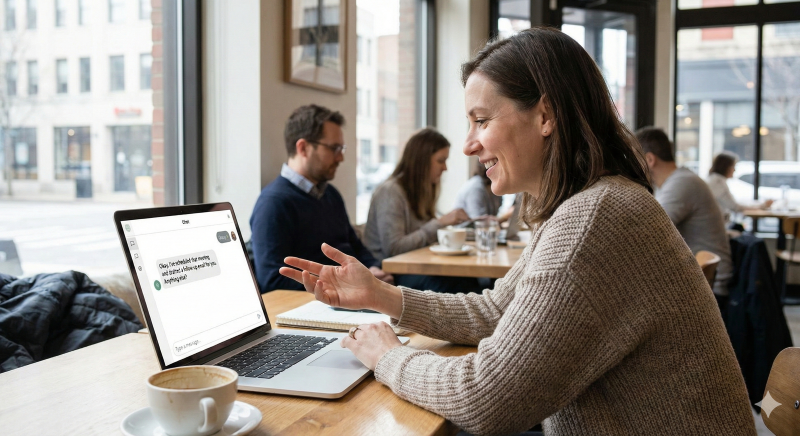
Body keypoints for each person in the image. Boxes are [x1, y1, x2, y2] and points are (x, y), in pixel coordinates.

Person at [280, 28, 755, 435]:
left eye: (481, 121)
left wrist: (387, 357)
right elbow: (495, 310)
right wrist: (381, 297)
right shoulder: (592, 205)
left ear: (546, 117)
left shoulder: (596, 218)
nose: (468, 145)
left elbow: (486, 398)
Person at [249, 104, 393, 293]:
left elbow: (355, 247)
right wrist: (341, 285)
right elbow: (273, 281)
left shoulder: (330, 194)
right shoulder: (273, 204)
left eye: (341, 148)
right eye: (334, 148)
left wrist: (373, 268)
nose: (341, 157)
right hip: (320, 305)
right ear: (303, 148)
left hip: (351, 296)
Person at [363, 128, 480, 292]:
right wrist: (439, 223)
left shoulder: (422, 192)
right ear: (422, 161)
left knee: (470, 282)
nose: (445, 168)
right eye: (441, 160)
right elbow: (394, 248)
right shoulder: (390, 192)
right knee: (456, 286)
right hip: (389, 272)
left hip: (414, 267)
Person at [636, 127, 734, 303]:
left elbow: (646, 233)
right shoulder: (677, 181)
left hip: (707, 289)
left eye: (633, 159)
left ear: (649, 159)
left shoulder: (681, 184)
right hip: (700, 279)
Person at [707, 151, 773, 221]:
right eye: (733, 166)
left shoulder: (715, 180)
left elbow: (734, 203)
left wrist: (760, 204)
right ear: (726, 167)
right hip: (717, 224)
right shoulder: (718, 183)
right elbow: (735, 207)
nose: (735, 170)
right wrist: (762, 205)